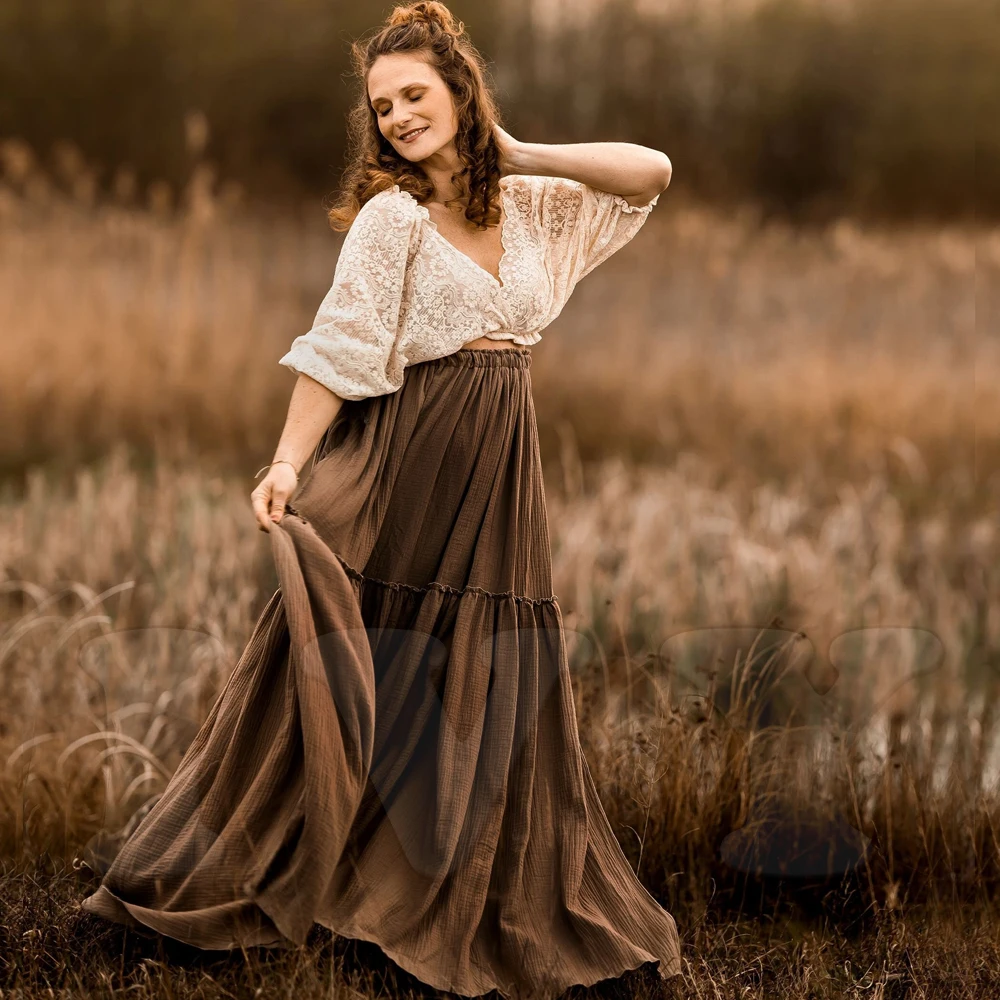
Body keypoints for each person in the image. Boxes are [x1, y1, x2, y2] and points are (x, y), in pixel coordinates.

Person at [80, 3, 678, 997]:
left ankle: (447, 886)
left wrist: (517, 144)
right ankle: (302, 878)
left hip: (496, 471)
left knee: (486, 670)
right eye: (383, 105)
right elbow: (340, 346)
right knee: (372, 656)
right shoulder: (391, 220)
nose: (400, 116)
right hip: (403, 462)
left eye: (417, 95)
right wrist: (284, 462)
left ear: (460, 94)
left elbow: (650, 171)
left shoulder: (530, 205)